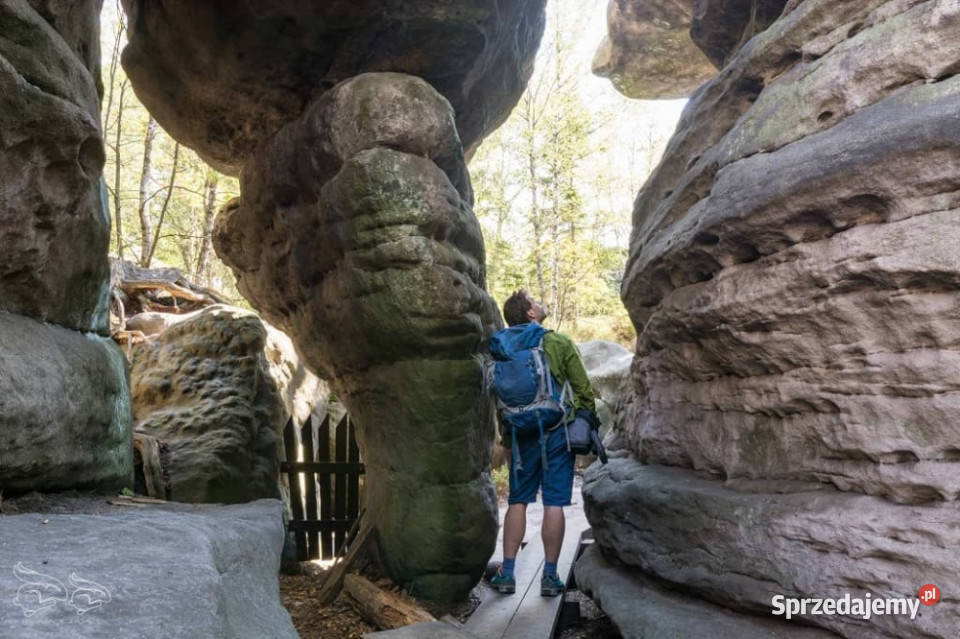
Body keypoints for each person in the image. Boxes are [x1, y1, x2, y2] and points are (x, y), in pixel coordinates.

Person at [489, 290, 596, 597]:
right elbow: (583, 390)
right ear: (530, 313)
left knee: (518, 501)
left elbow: (500, 401)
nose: (540, 303)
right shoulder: (557, 342)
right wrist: (585, 423)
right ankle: (549, 577)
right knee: (554, 502)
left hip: (519, 436)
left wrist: (507, 439)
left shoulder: (501, 348)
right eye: (535, 301)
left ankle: (507, 574)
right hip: (556, 432)